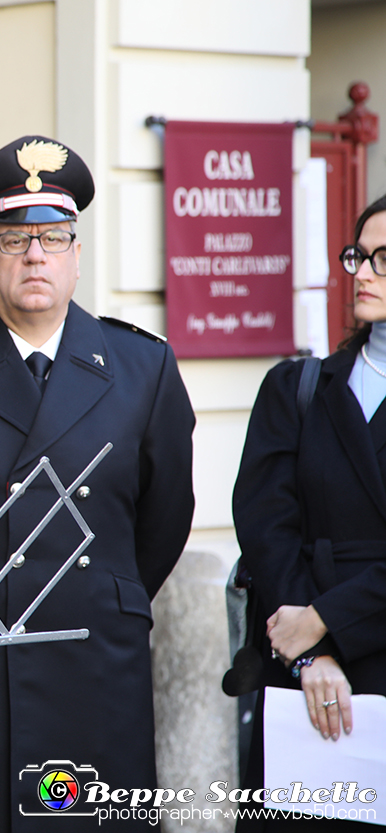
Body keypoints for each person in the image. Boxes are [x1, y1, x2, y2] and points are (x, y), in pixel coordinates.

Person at [0, 136, 196, 832]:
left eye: (53, 237)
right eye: (13, 239)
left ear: (77, 255)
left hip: (97, 661)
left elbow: (166, 514)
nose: (35, 256)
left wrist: (106, 595)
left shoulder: (142, 366)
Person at [231, 194, 386, 831]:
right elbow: (266, 526)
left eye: (384, 259)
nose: (364, 272)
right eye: (359, 255)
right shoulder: (296, 388)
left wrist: (326, 619)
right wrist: (307, 655)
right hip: (304, 683)